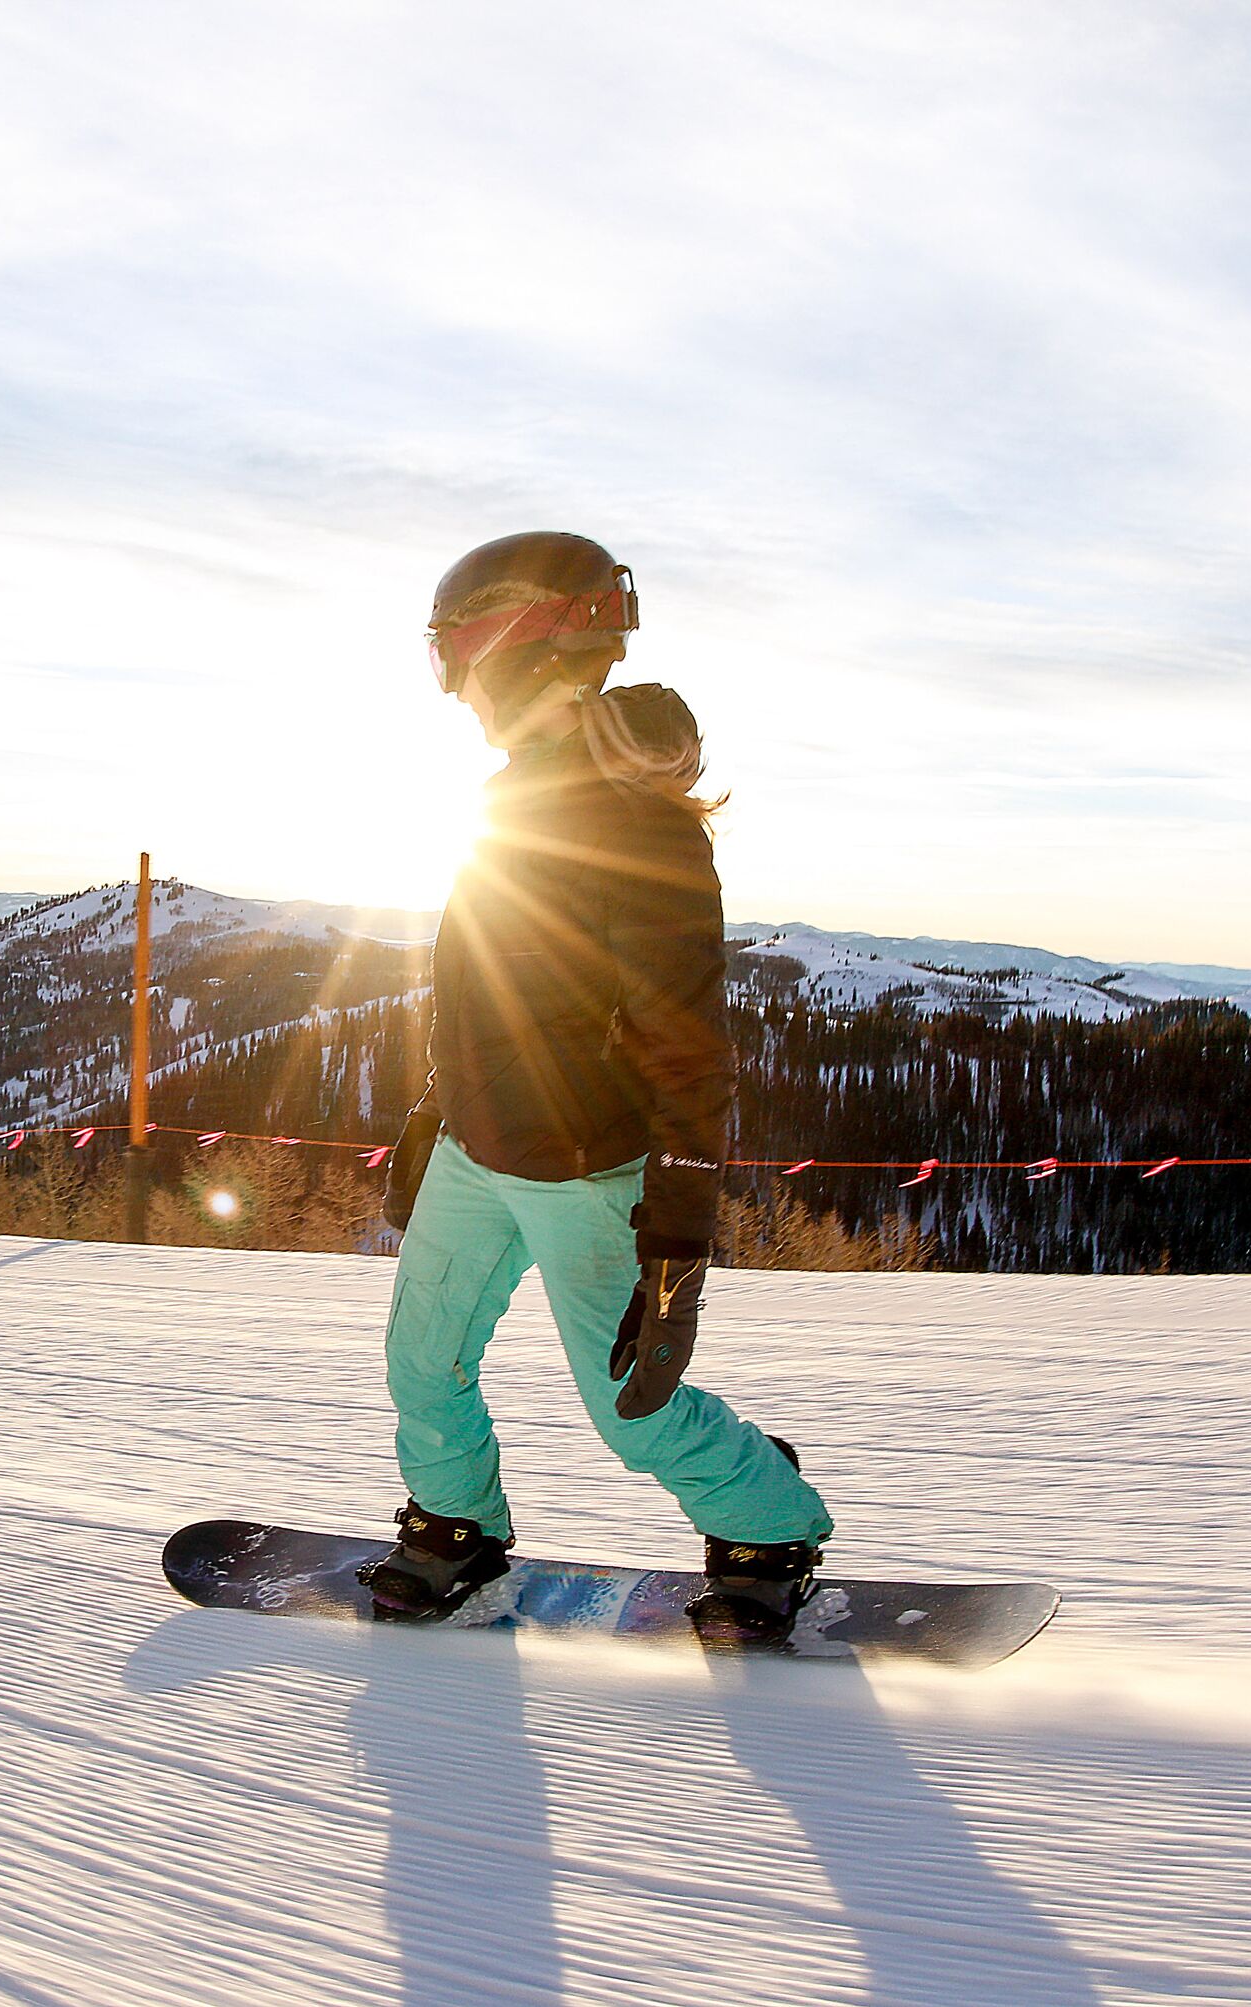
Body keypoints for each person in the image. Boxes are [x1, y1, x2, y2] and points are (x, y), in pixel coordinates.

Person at [361, 531, 835, 1644]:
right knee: (422, 1362)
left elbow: (685, 1044)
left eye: (451, 660)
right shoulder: (508, 799)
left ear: (509, 649)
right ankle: (455, 1524)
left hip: (590, 1174)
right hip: (479, 1156)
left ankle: (769, 1523)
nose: (454, 692)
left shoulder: (640, 826)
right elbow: (495, 984)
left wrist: (676, 1232)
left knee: (636, 1409)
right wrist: (439, 1112)